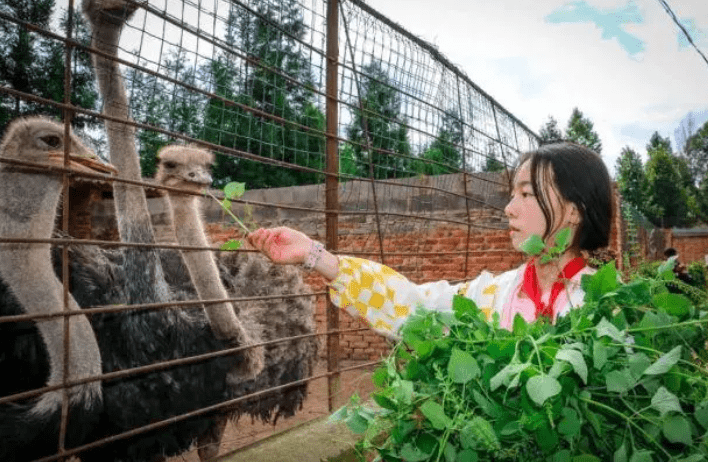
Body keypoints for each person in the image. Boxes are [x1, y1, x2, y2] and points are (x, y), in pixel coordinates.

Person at [248, 142, 613, 339]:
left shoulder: (609, 309)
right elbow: (411, 306)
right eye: (511, 194)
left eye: (527, 194)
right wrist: (315, 256)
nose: (508, 209)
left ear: (575, 210)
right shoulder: (494, 296)